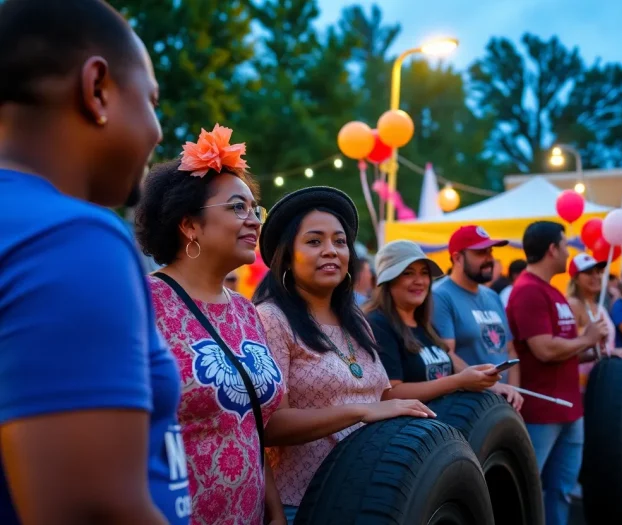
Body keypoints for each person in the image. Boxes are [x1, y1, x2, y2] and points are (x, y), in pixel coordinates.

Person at [0, 1, 190, 524]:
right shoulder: (69, 236)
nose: (156, 129)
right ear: (98, 88)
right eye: (151, 100)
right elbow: (92, 511)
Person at [252, 187, 434, 523]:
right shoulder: (270, 319)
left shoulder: (356, 319)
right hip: (307, 503)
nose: (331, 251)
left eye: (339, 241)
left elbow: (383, 394)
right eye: (314, 241)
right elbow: (269, 425)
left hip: (375, 492)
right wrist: (360, 411)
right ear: (287, 255)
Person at [135, 125, 286, 525]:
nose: (254, 220)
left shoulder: (246, 310)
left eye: (255, 208)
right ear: (190, 225)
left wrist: (271, 504)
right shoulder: (142, 303)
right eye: (238, 207)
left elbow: (248, 422)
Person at [506, 222, 608, 525]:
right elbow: (544, 350)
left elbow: (565, 350)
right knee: (531, 491)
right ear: (552, 249)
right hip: (541, 414)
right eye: (565, 245)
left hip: (570, 411)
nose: (568, 251)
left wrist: (594, 349)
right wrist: (586, 339)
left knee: (561, 491)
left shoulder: (554, 292)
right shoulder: (527, 291)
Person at [364, 240, 504, 401]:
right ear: (387, 281)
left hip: (443, 423)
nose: (420, 281)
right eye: (408, 273)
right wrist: (458, 381)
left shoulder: (425, 326)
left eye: (424, 273)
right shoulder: (378, 324)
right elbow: (389, 394)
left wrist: (479, 375)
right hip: (409, 426)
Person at [432, 225, 524, 409]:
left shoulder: (492, 296)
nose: (489, 259)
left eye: (490, 252)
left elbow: (510, 350)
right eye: (481, 253)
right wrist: (491, 384)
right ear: (457, 258)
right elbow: (446, 354)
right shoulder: (440, 296)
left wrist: (513, 393)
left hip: (502, 403)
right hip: (467, 406)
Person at [566, 253, 622, 392]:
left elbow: (601, 347)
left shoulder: (599, 307)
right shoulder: (573, 305)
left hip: (601, 380)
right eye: (588, 273)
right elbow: (569, 354)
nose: (596, 276)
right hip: (582, 386)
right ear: (576, 279)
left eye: (598, 272)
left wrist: (611, 351)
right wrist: (603, 352)